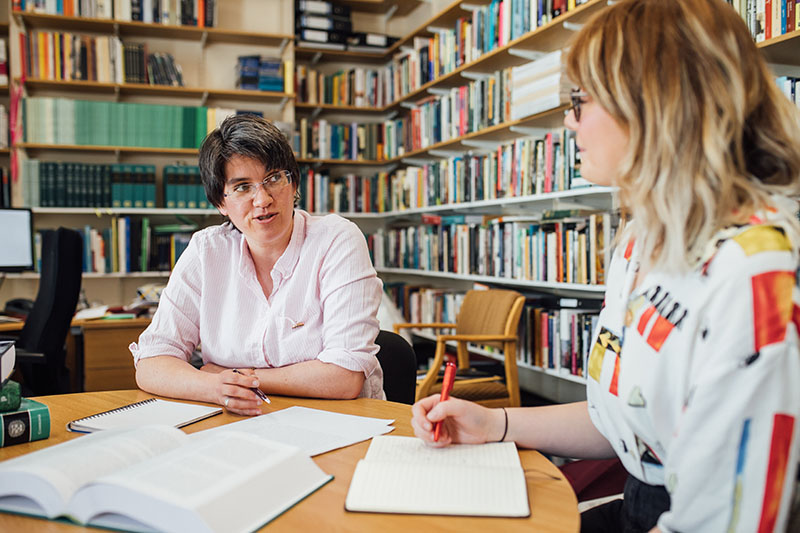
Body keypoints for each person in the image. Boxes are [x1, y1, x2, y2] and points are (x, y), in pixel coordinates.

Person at [411, 1, 800, 531]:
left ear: (652, 101)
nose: (569, 119)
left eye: (580, 99)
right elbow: (620, 417)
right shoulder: (640, 236)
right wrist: (492, 422)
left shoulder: (755, 271)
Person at [131, 114, 384, 415]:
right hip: (238, 421)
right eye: (242, 187)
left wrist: (238, 377)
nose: (262, 199)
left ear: (293, 185)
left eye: (274, 178)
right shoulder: (206, 251)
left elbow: (345, 377)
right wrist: (214, 387)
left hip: (338, 421)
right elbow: (151, 363)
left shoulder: (336, 240)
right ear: (220, 203)